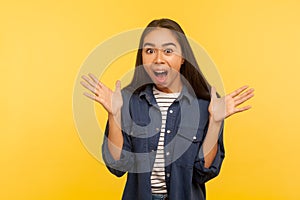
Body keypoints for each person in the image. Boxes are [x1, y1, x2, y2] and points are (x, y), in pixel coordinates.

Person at [80, 18, 254, 200]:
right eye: (150, 51)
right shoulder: (127, 101)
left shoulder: (206, 105)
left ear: (183, 58)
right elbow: (118, 166)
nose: (158, 59)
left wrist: (215, 123)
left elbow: (203, 173)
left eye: (168, 51)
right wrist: (114, 115)